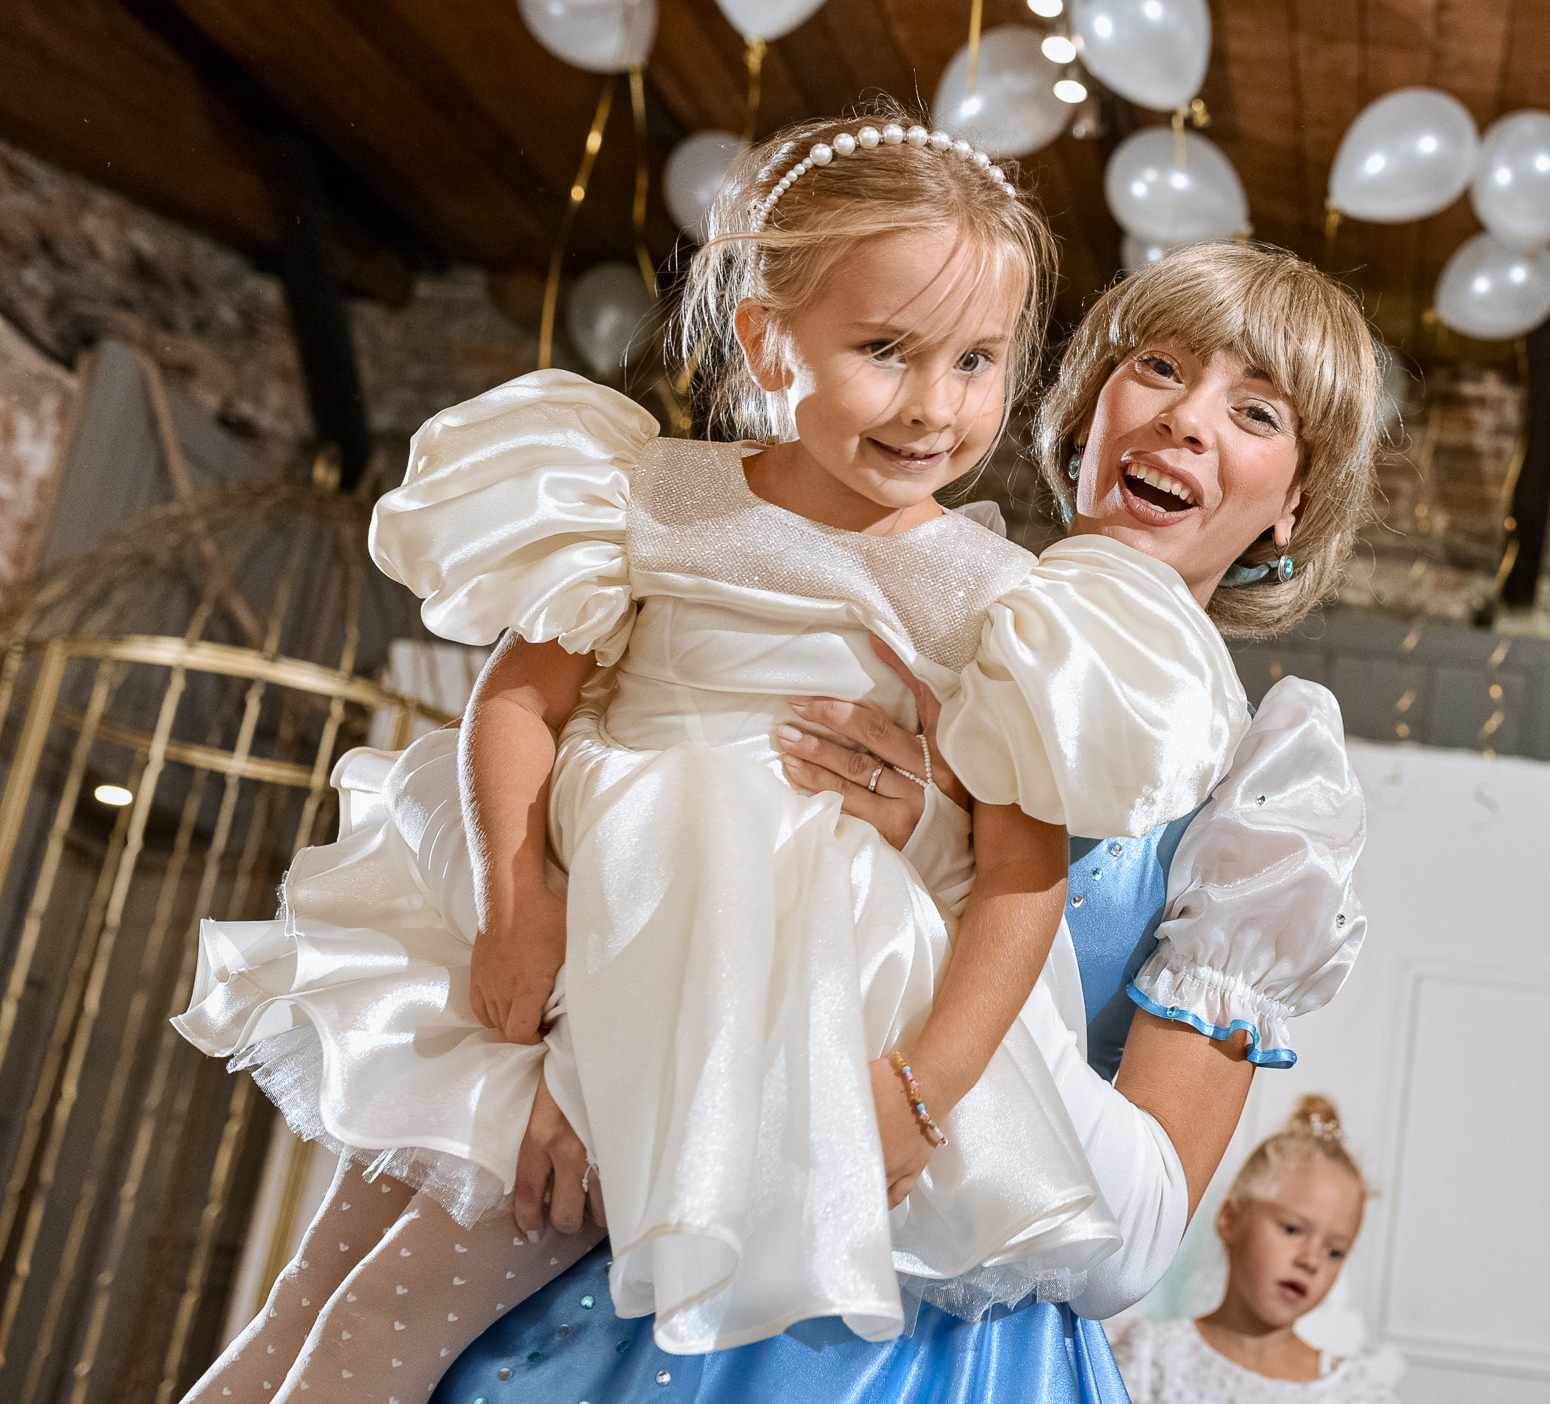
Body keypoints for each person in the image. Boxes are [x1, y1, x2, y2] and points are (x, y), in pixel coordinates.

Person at [172, 106, 1260, 1400]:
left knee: (393, 1320)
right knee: (314, 1292)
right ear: (766, 339)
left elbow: (1021, 878)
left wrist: (922, 1095)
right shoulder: (654, 493)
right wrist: (519, 903)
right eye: (885, 350)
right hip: (570, 923)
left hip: (736, 993)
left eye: (976, 362)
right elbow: (518, 698)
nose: (933, 405)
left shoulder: (988, 595)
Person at [426, 241, 1387, 1402]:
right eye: (1159, 366)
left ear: (1295, 502)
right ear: (1084, 410)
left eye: (1255, 410)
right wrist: (587, 1062)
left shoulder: (1262, 791)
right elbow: (650, 856)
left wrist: (955, 864)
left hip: (942, 1349)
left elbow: (1129, 1245)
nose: (1185, 421)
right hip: (672, 1250)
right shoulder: (896, 592)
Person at [1111, 1096, 1401, 1404]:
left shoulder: (1357, 1392)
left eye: (1335, 1251)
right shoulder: (1150, 1359)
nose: (1311, 1261)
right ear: (1230, 1220)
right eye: (1292, 1229)